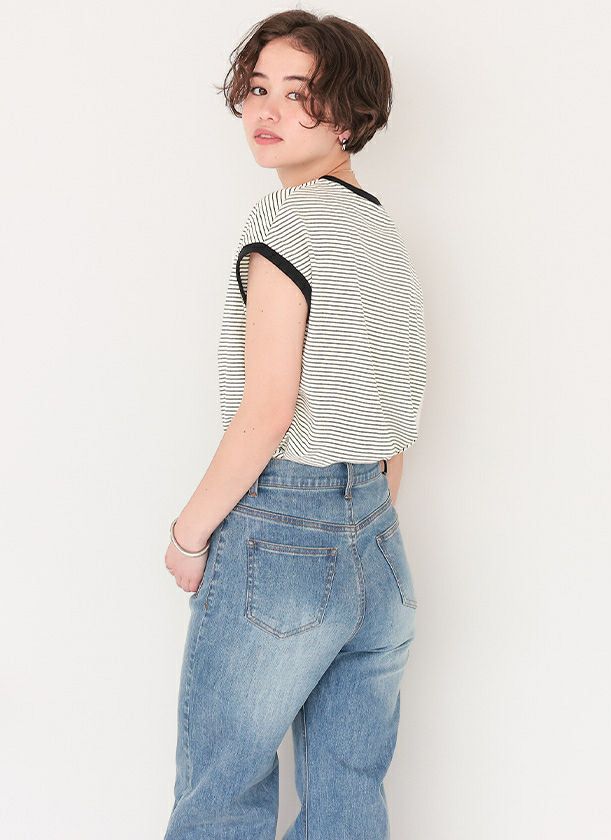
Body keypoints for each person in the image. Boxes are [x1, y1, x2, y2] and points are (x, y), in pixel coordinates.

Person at [163, 10, 428, 839]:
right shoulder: (380, 229)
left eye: (298, 93)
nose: (266, 110)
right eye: (256, 88)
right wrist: (359, 523)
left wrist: (189, 535)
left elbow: (270, 408)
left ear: (348, 116)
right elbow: (396, 407)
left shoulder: (285, 221)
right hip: (378, 544)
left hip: (283, 533)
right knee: (348, 791)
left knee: (221, 793)